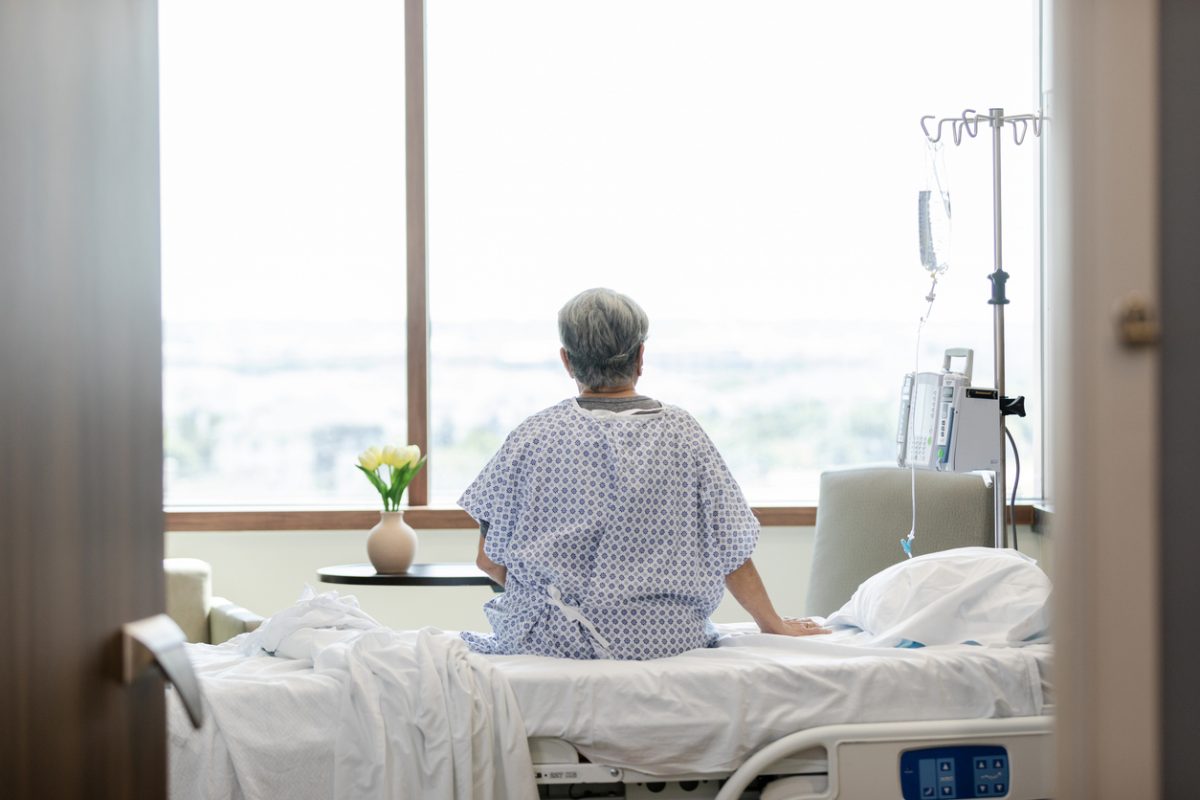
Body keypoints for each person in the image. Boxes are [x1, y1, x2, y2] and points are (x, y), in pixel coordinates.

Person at [458, 288, 828, 660]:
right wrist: (772, 625)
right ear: (640, 357)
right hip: (665, 642)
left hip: (549, 645)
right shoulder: (683, 434)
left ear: (567, 361)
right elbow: (731, 552)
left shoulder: (531, 437)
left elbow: (488, 560)